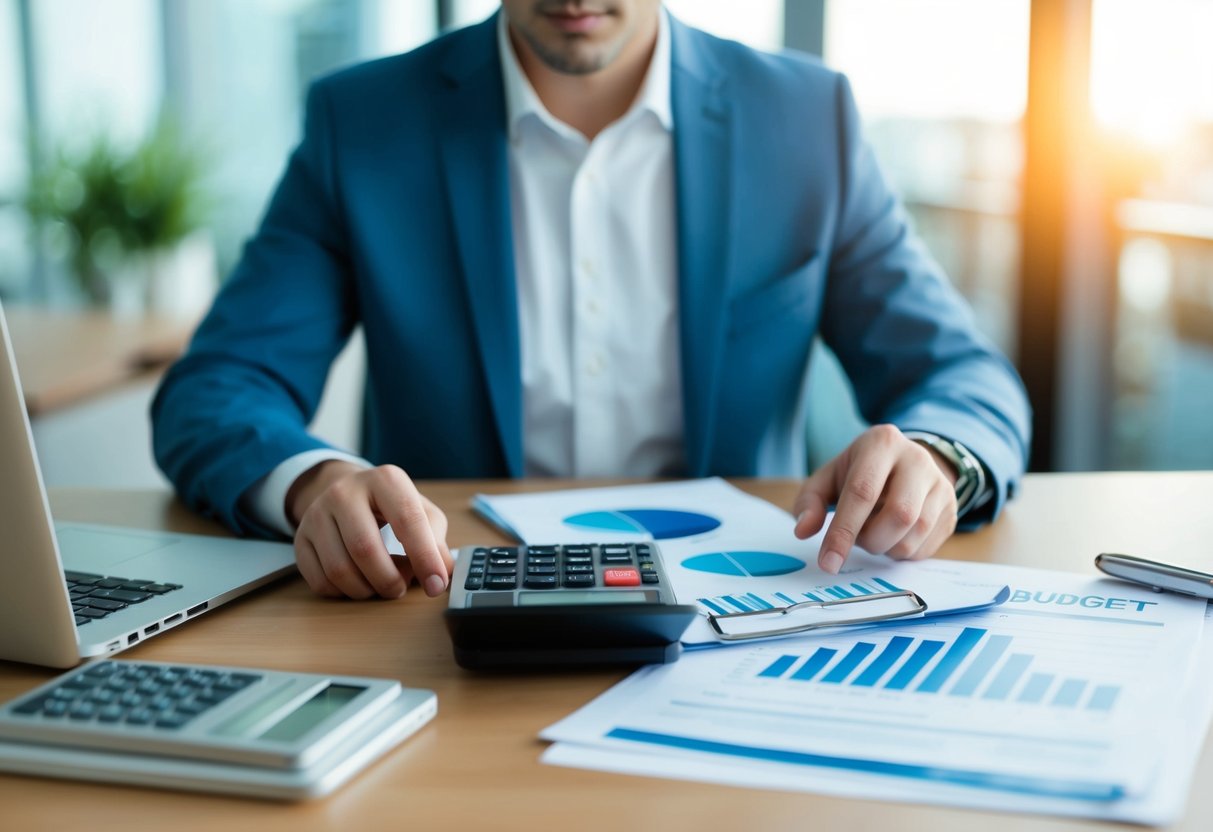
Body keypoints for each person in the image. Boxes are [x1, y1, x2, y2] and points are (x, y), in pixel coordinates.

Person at [152, 0, 1031, 602]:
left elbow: (959, 371)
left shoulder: (805, 118)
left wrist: (935, 457)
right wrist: (314, 483)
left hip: (740, 611)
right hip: (436, 606)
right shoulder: (365, 121)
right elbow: (220, 385)